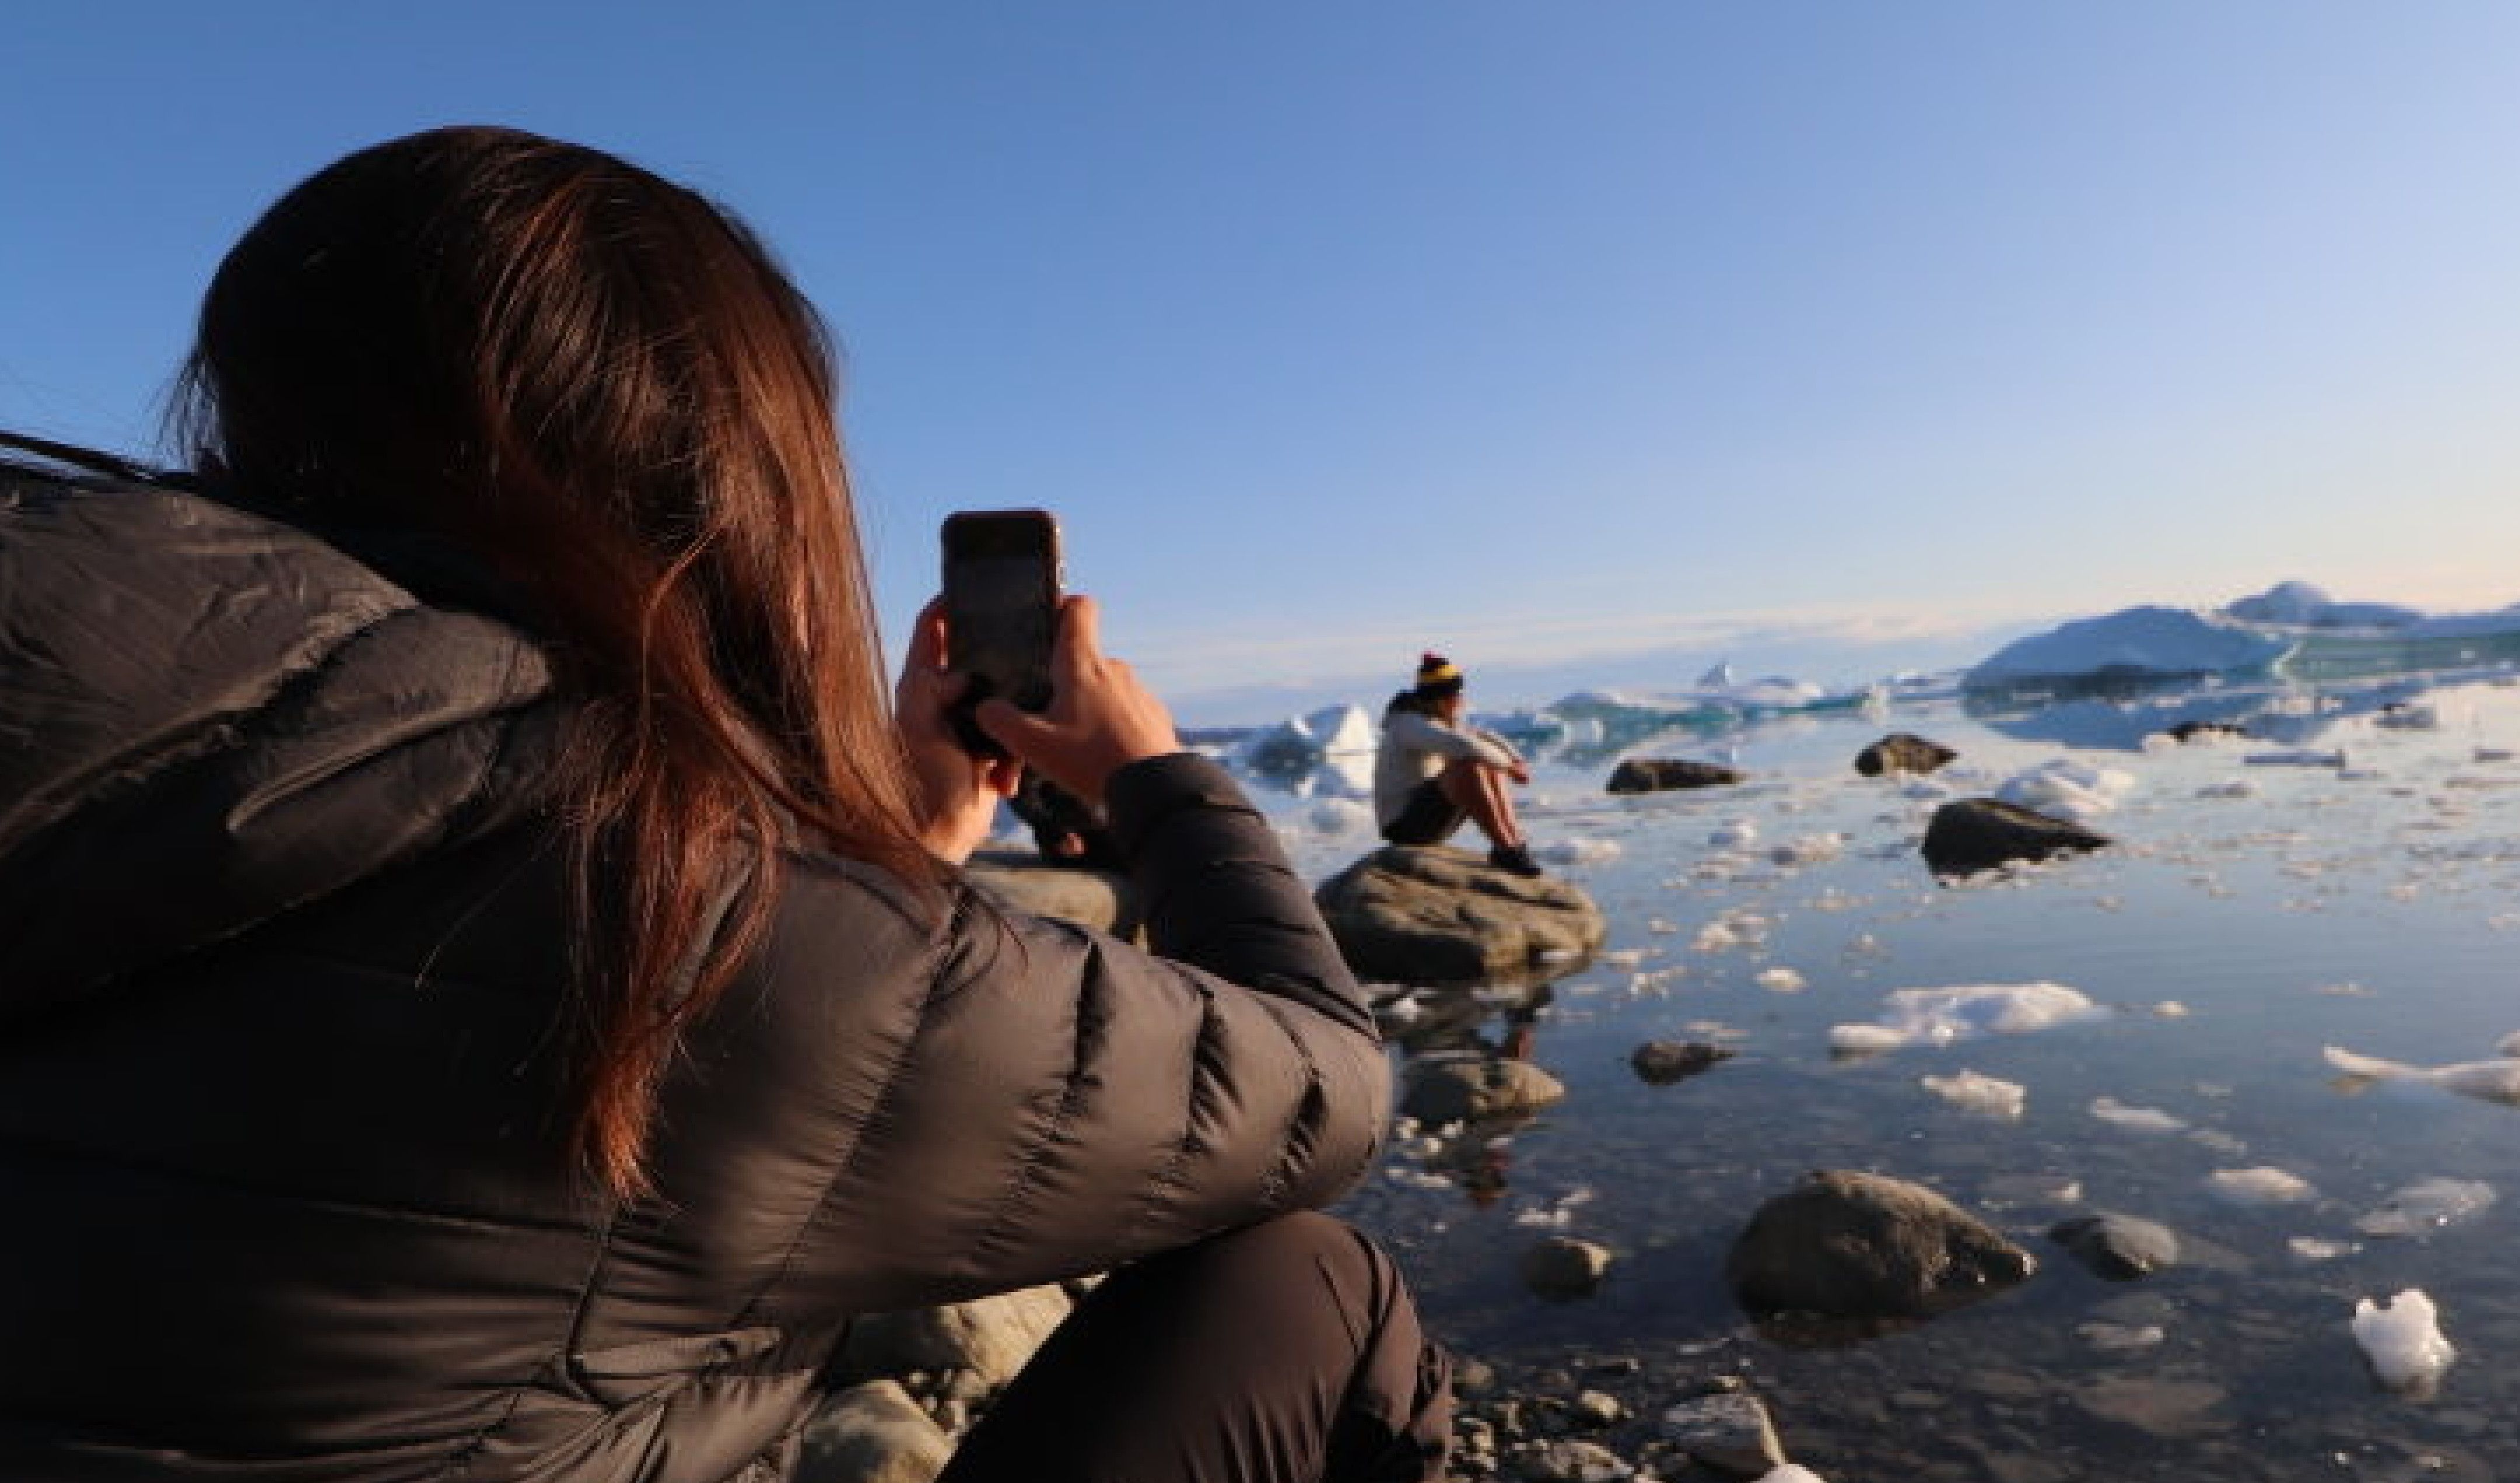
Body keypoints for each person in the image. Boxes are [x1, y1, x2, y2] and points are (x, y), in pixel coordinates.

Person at [0, 127, 1449, 1482]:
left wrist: (908, 866)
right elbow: (1326, 1082)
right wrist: (1153, 775)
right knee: (1304, 1281)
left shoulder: (78, 741)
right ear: (742, 487)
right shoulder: (705, 932)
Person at [1373, 652, 1544, 876]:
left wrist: (1515, 759)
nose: (1462, 702)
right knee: (1470, 767)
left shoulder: (1436, 719)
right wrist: (1510, 767)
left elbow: (1482, 737)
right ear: (1441, 697)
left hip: (1427, 817)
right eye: (1457, 696)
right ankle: (1506, 847)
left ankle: (1514, 843)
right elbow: (1464, 745)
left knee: (1488, 763)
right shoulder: (1409, 724)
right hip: (1403, 826)